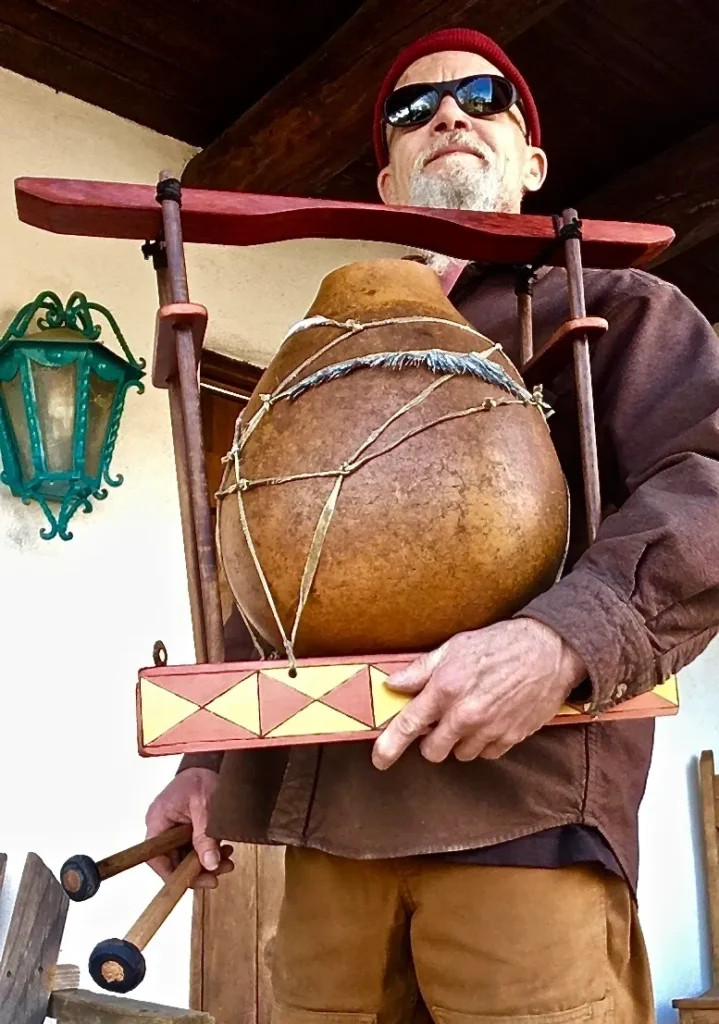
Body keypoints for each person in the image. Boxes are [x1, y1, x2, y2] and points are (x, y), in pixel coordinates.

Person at [146, 28, 719, 1023]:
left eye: (481, 96)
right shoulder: (328, 353)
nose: (446, 115)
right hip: (329, 845)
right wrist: (210, 763)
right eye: (412, 110)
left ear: (529, 162)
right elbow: (272, 588)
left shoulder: (619, 310)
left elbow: (707, 480)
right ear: (385, 179)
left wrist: (559, 639)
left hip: (523, 824)